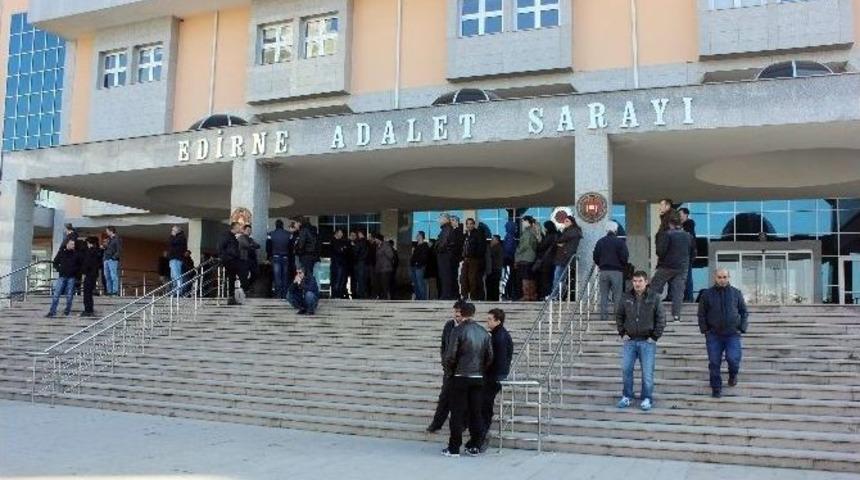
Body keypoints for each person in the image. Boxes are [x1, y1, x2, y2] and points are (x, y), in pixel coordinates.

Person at [442, 302, 493, 457]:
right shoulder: (483, 332)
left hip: (460, 376)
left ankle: (454, 447)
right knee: (476, 412)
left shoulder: (458, 330)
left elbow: (450, 356)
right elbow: (490, 357)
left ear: (462, 313)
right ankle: (475, 445)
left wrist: (450, 372)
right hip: (478, 377)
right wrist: (481, 370)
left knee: (457, 412)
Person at [615, 271, 666, 411]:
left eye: (640, 281)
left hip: (647, 341)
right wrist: (622, 332)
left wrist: (654, 336)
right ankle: (627, 396)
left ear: (646, 282)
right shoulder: (626, 297)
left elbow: (661, 318)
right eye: (635, 281)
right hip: (630, 341)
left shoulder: (654, 297)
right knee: (626, 370)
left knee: (647, 372)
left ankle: (647, 398)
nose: (637, 284)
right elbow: (619, 315)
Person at [698, 268, 748, 398]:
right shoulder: (707, 294)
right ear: (715, 278)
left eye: (724, 277)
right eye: (719, 277)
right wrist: (705, 330)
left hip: (732, 334)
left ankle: (733, 375)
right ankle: (716, 388)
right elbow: (701, 314)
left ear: (729, 277)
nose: (722, 280)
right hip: (714, 334)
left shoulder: (736, 293)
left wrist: (741, 328)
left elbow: (743, 312)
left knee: (733, 359)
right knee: (714, 362)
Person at [427, 300, 465, 433]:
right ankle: (437, 423)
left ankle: (462, 424)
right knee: (444, 397)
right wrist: (444, 361)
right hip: (449, 369)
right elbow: (444, 345)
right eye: (455, 311)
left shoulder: (468, 327)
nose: (457, 315)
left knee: (462, 399)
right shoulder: (449, 325)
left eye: (459, 312)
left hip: (463, 369)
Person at [651, 214, 696, 322]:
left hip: (666, 266)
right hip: (682, 267)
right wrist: (687, 262)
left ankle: (649, 312)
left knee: (655, 287)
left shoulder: (667, 235)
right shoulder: (689, 236)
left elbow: (660, 251)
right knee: (678, 292)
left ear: (670, 224)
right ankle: (676, 316)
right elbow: (693, 253)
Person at [481, 308, 512, 451]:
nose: (487, 322)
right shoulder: (502, 334)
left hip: (494, 376)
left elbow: (494, 359)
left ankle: (483, 434)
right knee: (485, 404)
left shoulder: (498, 337)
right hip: (499, 374)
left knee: (484, 405)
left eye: (490, 319)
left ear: (498, 321)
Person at [593, 221, 630, 321]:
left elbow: (595, 256)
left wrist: (600, 264)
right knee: (617, 295)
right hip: (617, 271)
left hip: (603, 271)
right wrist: (622, 265)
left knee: (604, 295)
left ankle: (603, 317)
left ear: (606, 230)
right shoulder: (620, 242)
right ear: (615, 230)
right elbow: (625, 257)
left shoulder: (600, 241)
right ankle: (617, 317)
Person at [47, 239, 82, 317]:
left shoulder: (77, 254)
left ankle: (67, 310)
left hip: (71, 277)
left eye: (73, 244)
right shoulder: (61, 252)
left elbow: (80, 265)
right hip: (62, 276)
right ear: (67, 244)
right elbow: (55, 262)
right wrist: (59, 269)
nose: (73, 245)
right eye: (71, 244)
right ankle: (52, 312)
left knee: (69, 295)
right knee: (56, 294)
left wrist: (75, 272)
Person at [552, 215, 583, 296]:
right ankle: (559, 295)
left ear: (572, 222)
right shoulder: (568, 231)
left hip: (564, 257)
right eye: (564, 221)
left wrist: (562, 244)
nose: (565, 223)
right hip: (564, 257)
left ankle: (555, 295)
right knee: (560, 278)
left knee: (558, 277)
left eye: (567, 221)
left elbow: (559, 241)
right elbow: (559, 242)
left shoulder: (572, 231)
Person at [218, 222, 247, 305]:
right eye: (238, 227)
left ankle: (232, 297)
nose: (240, 228)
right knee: (234, 277)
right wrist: (225, 257)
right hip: (229, 260)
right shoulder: (226, 236)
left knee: (232, 278)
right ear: (234, 227)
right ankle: (233, 296)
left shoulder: (233, 237)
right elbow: (221, 247)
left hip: (233, 260)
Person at [515, 216, 539, 301]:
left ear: (527, 222)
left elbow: (524, 245)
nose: (522, 223)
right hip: (530, 257)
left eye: (524, 221)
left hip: (525, 257)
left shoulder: (527, 232)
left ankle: (527, 295)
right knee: (530, 277)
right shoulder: (533, 231)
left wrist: (517, 251)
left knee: (525, 277)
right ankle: (532, 295)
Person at [461, 218, 486, 300]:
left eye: (471, 223)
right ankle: (464, 296)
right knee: (463, 278)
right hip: (466, 259)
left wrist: (476, 256)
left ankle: (474, 296)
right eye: (467, 224)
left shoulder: (478, 234)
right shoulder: (465, 235)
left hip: (474, 260)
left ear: (474, 224)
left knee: (473, 279)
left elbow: (482, 248)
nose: (469, 225)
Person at [267, 219, 292, 299]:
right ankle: (285, 294)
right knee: (285, 276)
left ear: (275, 225)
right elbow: (291, 247)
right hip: (286, 257)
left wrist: (269, 256)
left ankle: (278, 294)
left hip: (276, 257)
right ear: (282, 225)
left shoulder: (271, 234)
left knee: (277, 276)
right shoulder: (288, 234)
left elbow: (268, 246)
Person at [535, 220, 558, 299]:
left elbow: (541, 247)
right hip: (552, 260)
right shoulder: (556, 235)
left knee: (545, 279)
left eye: (545, 228)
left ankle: (546, 295)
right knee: (550, 278)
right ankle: (548, 294)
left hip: (547, 261)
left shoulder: (550, 236)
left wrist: (538, 240)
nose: (544, 229)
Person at [435, 214, 456, 300]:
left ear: (445, 219)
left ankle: (446, 295)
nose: (438, 221)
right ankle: (446, 294)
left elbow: (443, 243)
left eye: (440, 219)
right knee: (445, 275)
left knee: (445, 275)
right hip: (445, 255)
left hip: (444, 256)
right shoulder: (446, 228)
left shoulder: (446, 229)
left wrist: (438, 249)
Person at [679, 207, 697, 302]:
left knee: (687, 277)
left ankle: (689, 297)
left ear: (686, 214)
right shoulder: (682, 226)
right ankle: (685, 297)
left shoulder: (689, 224)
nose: (679, 216)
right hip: (682, 256)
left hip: (687, 255)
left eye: (680, 214)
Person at [80, 237, 101, 317]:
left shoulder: (90, 251)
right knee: (89, 293)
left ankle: (87, 310)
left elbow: (87, 263)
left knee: (87, 293)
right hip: (94, 274)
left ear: (89, 243)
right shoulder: (97, 251)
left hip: (89, 274)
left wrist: (83, 271)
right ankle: (90, 309)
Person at [373, 234, 396, 300]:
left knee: (385, 285)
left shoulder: (386, 245)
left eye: (376, 239)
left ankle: (387, 299)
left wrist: (383, 250)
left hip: (386, 269)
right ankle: (383, 297)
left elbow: (391, 256)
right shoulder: (378, 246)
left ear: (379, 239)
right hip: (380, 269)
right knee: (380, 285)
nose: (375, 240)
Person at [410, 231, 431, 300]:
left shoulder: (424, 246)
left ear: (421, 236)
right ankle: (418, 298)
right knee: (415, 284)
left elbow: (424, 257)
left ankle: (422, 299)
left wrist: (418, 263)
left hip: (419, 267)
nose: (416, 236)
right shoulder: (417, 246)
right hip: (414, 267)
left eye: (417, 235)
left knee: (420, 284)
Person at [502, 219, 519, 300]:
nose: (516, 229)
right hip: (509, 260)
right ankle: (506, 294)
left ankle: (507, 294)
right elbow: (509, 249)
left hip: (508, 260)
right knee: (508, 277)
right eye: (515, 227)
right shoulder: (510, 237)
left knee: (509, 277)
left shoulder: (509, 237)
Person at [330, 229, 350, 299]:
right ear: (336, 233)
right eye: (340, 232)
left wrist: (343, 249)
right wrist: (343, 249)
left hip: (341, 263)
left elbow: (345, 249)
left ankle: (339, 293)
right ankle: (335, 294)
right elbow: (339, 250)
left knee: (341, 279)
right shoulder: (333, 241)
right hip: (336, 263)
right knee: (336, 279)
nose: (342, 234)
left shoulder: (342, 241)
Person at [102, 226, 121, 296]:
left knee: (113, 276)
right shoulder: (109, 239)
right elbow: (108, 248)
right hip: (106, 259)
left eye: (107, 231)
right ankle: (109, 291)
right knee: (107, 276)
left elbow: (119, 250)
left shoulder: (117, 239)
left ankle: (115, 291)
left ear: (111, 231)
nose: (106, 232)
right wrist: (104, 246)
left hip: (112, 260)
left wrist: (114, 258)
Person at [168, 225, 187, 294]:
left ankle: (179, 292)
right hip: (173, 259)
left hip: (176, 258)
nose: (172, 232)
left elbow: (171, 243)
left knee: (177, 276)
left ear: (178, 230)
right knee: (173, 276)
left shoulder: (181, 237)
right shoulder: (178, 237)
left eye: (173, 230)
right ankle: (175, 291)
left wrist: (172, 236)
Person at [241, 224, 261, 292]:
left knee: (256, 273)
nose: (249, 232)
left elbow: (258, 245)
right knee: (245, 275)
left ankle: (247, 286)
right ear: (243, 230)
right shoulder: (241, 238)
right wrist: (252, 245)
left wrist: (252, 245)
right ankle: (245, 288)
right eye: (247, 230)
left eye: (250, 230)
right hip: (245, 259)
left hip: (252, 260)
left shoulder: (251, 239)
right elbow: (247, 245)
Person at [351, 230, 369, 299]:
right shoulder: (367, 242)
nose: (357, 235)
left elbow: (355, 252)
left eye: (358, 233)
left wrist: (353, 247)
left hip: (359, 263)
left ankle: (360, 295)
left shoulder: (359, 242)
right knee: (363, 280)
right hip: (365, 263)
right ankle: (364, 294)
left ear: (360, 234)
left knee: (360, 279)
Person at [486, 235, 504, 301]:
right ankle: (493, 298)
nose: (491, 241)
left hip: (494, 268)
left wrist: (489, 247)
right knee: (494, 284)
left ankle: (492, 298)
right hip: (496, 268)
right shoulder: (499, 247)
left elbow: (490, 255)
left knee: (493, 285)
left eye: (493, 239)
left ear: (497, 240)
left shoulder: (496, 248)